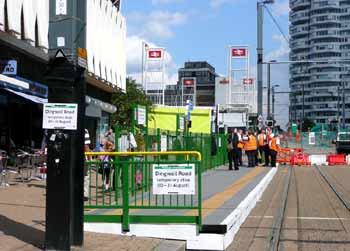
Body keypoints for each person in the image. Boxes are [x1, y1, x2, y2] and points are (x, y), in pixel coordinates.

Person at [84, 129, 91, 201]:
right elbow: (86, 146)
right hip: (82, 158)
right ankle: (85, 195)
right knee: (85, 176)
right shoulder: (84, 130)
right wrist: (89, 158)